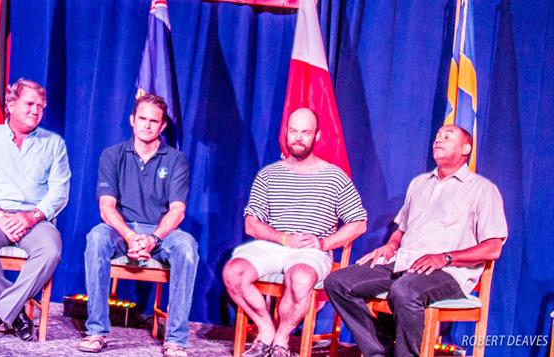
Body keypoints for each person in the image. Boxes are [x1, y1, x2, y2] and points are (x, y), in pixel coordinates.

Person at [324, 125, 508, 357]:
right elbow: (401, 229)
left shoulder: (482, 190)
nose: (438, 140)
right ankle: (378, 351)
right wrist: (391, 245)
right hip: (404, 264)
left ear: (466, 148)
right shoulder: (419, 184)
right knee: (338, 281)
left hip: (449, 272)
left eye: (447, 137)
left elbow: (493, 248)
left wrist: (446, 257)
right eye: (438, 136)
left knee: (405, 291)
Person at [223, 107, 368, 357]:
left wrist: (324, 243)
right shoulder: (269, 175)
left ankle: (281, 340)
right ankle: (266, 330)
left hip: (310, 251)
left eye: (305, 132)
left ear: (317, 136)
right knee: (233, 272)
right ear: (286, 133)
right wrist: (282, 238)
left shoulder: (334, 176)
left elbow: (359, 222)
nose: (298, 138)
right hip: (274, 244)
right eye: (293, 131)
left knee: (300, 278)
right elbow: (251, 223)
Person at [77, 93, 198, 357]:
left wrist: (153, 237)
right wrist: (130, 236)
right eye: (142, 119)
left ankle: (176, 339)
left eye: (154, 121)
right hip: (122, 230)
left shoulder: (176, 159)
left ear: (163, 125)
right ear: (132, 120)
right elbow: (106, 207)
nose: (147, 125)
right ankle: (97, 331)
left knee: (187, 247)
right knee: (96, 238)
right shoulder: (112, 155)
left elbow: (177, 210)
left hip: (161, 231)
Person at [0, 78, 71, 340]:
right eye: (29, 104)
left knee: (51, 251)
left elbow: (60, 191)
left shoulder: (54, 144)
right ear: (10, 104)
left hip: (36, 220)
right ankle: (16, 313)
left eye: (41, 107)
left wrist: (32, 216)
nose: (36, 111)